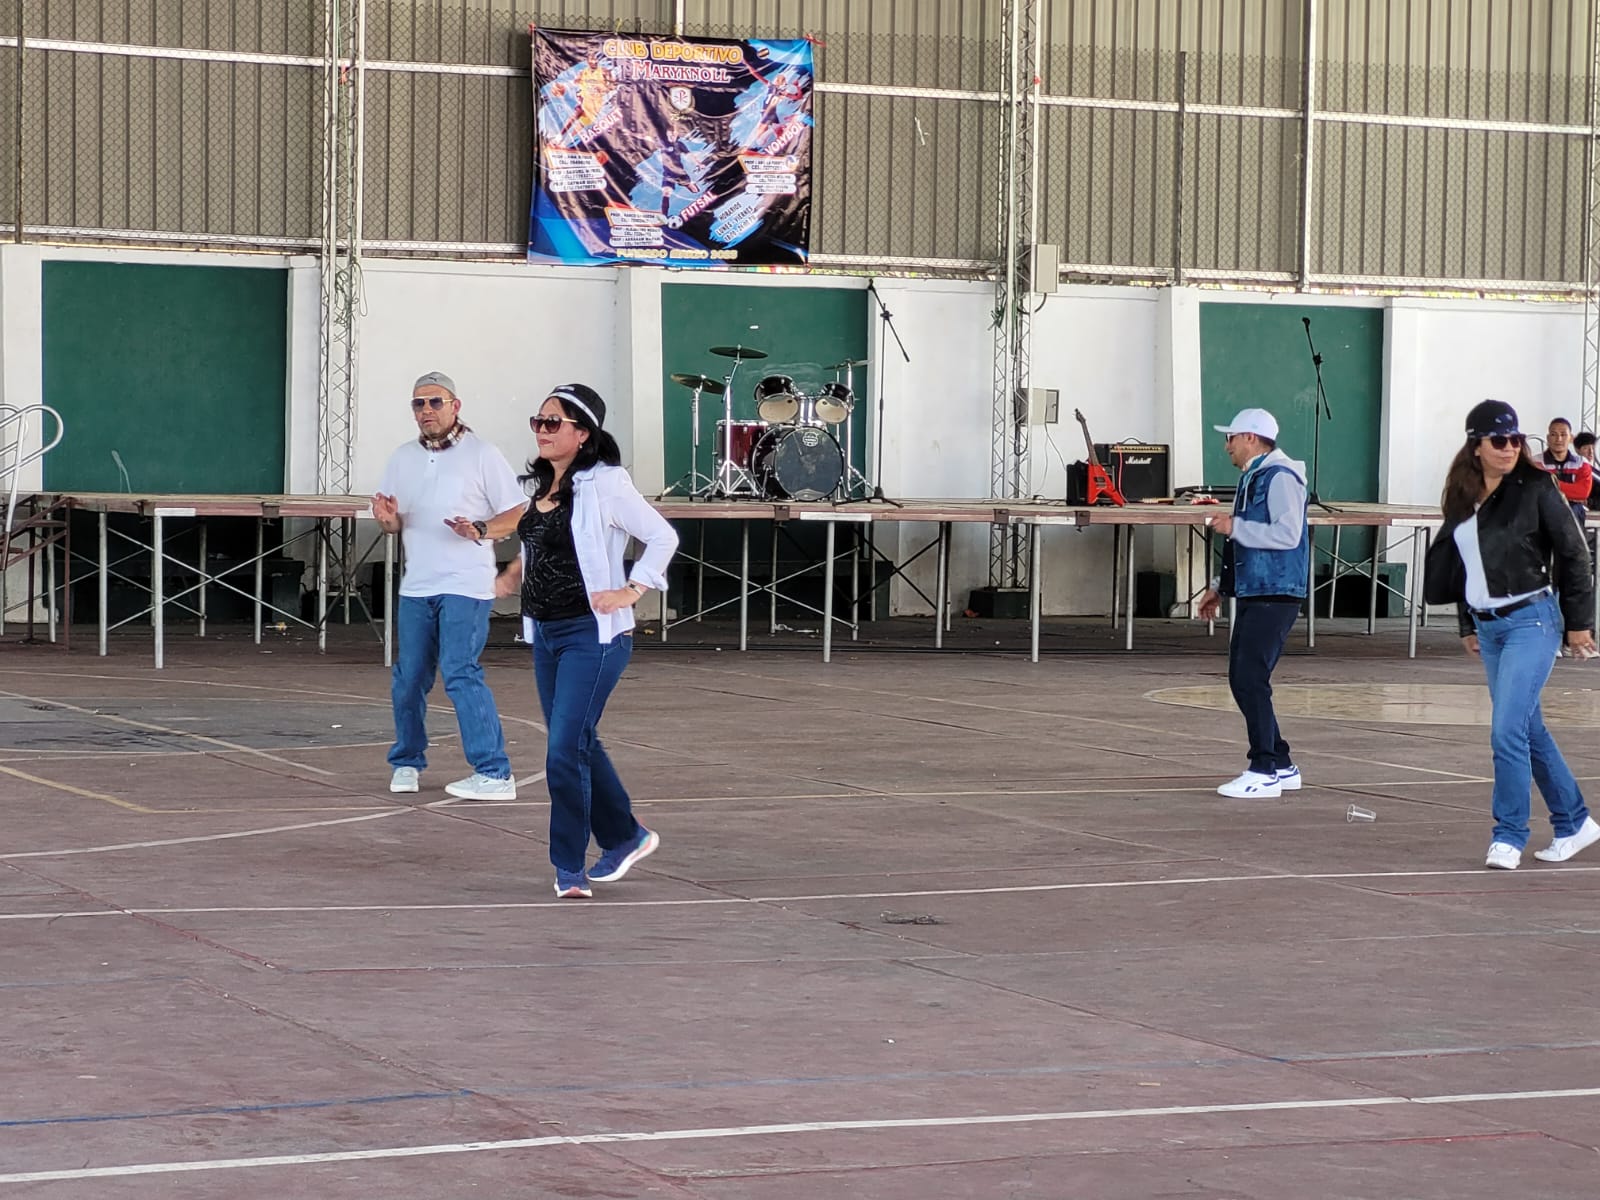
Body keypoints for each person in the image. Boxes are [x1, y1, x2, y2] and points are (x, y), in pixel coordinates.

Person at [494, 384, 679, 899]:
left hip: (592, 636)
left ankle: (569, 868)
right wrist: (511, 575)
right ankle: (625, 837)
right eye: (538, 421)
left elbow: (662, 537)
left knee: (562, 750)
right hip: (547, 634)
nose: (542, 430)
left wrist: (632, 590)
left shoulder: (607, 483)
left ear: (582, 434)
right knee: (577, 741)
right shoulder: (541, 486)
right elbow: (548, 545)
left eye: (553, 422)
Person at [1428, 399, 1600, 870]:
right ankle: (1574, 822)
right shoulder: (1461, 495)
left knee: (1506, 730)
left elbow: (1575, 554)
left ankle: (1508, 833)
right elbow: (1462, 564)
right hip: (1489, 628)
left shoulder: (1536, 487)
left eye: (1516, 440)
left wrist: (1579, 623)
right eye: (1499, 440)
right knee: (1527, 727)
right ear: (1476, 446)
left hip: (1532, 620)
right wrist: (1467, 623)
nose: (1509, 448)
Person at [372, 372, 528, 800]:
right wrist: (388, 520)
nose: (426, 410)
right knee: (409, 678)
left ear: (455, 406)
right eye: (418, 403)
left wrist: (480, 528)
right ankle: (407, 761)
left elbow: (517, 513)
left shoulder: (482, 454)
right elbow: (395, 523)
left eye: (435, 402)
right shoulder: (402, 457)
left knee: (460, 672)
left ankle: (494, 771)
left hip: (466, 584)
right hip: (417, 586)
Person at [1195, 408, 1309, 800]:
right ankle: (1281, 762)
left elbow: (1288, 534)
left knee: (1249, 678)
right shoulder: (1254, 476)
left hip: (1276, 589)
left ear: (1250, 438)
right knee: (1244, 677)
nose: (1226, 445)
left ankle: (1264, 769)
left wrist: (1234, 526)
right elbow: (1241, 541)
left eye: (1230, 437)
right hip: (1255, 589)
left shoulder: (1280, 477)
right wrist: (1220, 586)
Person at [1538, 417, 1592, 528]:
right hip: (1542, 513)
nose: (1559, 439)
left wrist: (1550, 484)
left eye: (1563, 434)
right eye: (1553, 434)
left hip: (1573, 513)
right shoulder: (1536, 462)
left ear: (1571, 438)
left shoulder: (1581, 463)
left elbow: (1582, 492)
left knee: (1573, 509)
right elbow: (1536, 491)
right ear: (1548, 438)